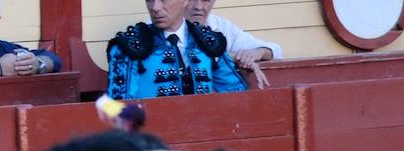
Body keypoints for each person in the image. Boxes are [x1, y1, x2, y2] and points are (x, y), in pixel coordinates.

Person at [106, 0, 247, 100]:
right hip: (150, 138)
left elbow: (236, 95)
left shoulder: (208, 42)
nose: (155, 7)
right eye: (149, 0)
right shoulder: (127, 47)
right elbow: (116, 107)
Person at [185, 0, 280, 87]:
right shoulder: (172, 26)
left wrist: (258, 52)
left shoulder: (220, 25)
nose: (198, 6)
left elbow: (275, 51)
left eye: (206, 0)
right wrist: (233, 57)